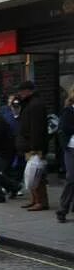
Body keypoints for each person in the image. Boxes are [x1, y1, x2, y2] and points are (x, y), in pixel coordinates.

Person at [16, 80, 49, 211]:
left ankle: (41, 201)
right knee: (31, 174)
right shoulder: (30, 103)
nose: (19, 94)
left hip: (34, 147)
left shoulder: (35, 105)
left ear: (28, 91)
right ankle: (35, 199)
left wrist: (35, 148)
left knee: (37, 175)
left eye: (21, 91)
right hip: (29, 145)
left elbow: (37, 128)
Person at [56, 86, 74, 223]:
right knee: (71, 178)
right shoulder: (68, 111)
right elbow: (64, 129)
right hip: (71, 148)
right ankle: (62, 209)